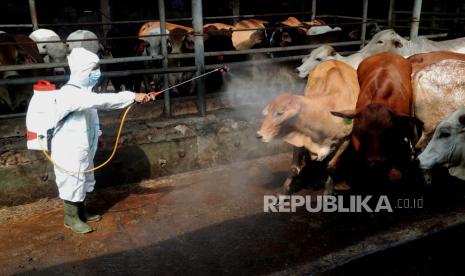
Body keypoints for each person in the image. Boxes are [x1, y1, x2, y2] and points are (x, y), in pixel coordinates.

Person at [51, 47, 151, 234]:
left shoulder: (84, 92)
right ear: (83, 70)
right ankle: (70, 217)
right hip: (68, 147)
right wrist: (133, 96)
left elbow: (92, 115)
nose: (97, 72)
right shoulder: (70, 94)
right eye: (94, 68)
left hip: (83, 144)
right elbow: (103, 101)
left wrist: (98, 134)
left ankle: (81, 211)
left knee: (84, 176)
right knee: (73, 179)